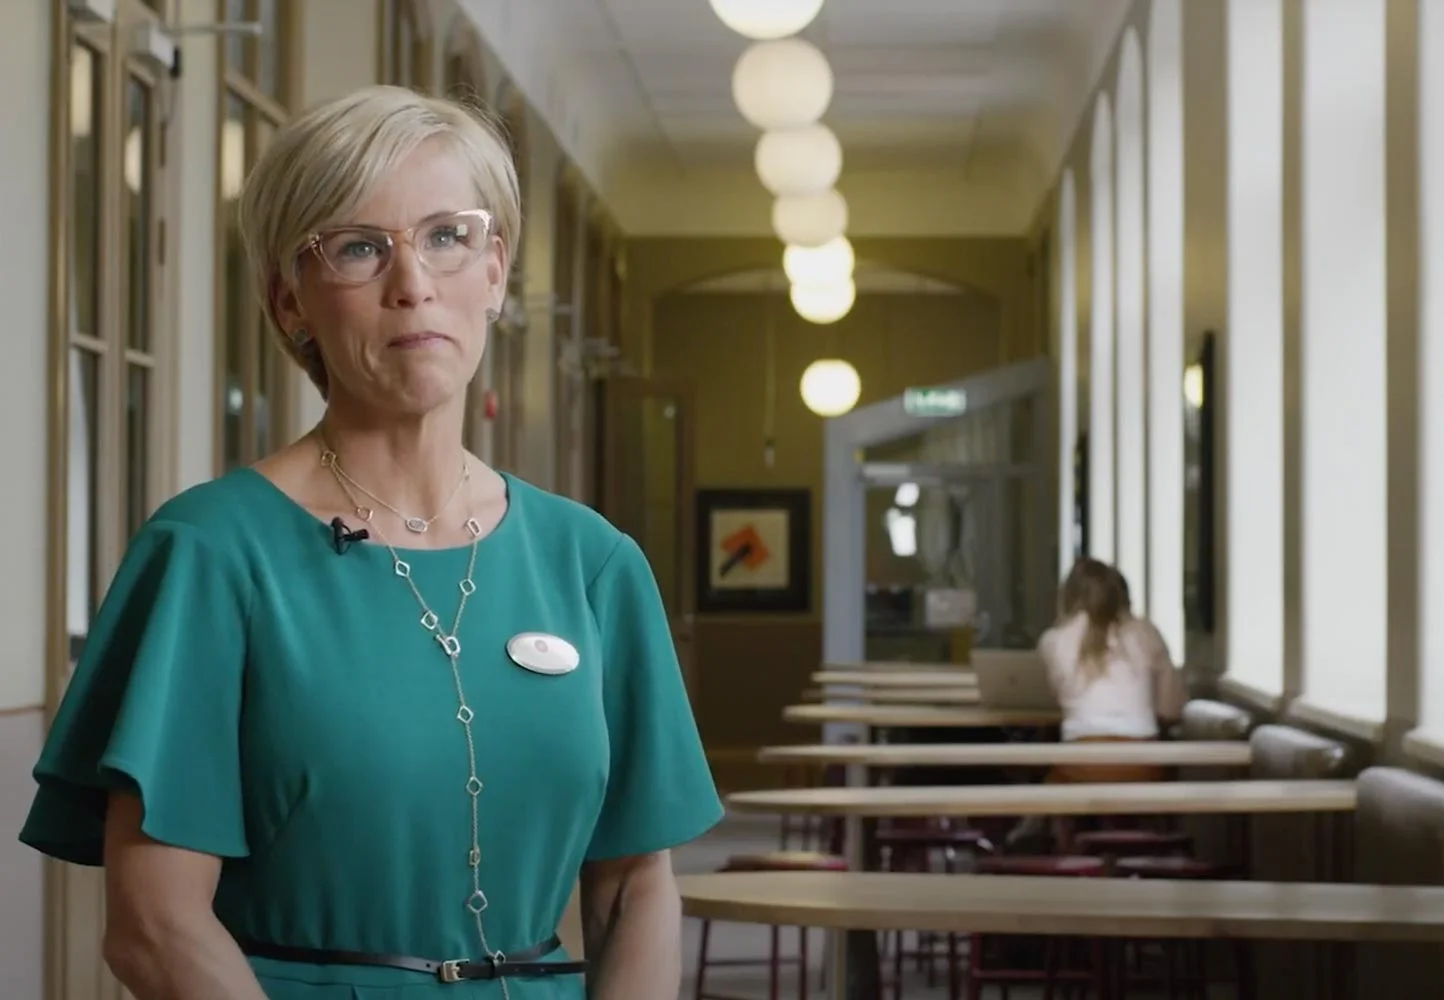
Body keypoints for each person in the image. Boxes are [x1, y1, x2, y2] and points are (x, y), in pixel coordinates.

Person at [20, 85, 722, 999]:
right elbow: (153, 926)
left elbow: (633, 890)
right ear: (289, 301)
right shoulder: (209, 554)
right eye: (358, 248)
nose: (413, 283)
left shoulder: (592, 564)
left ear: (496, 271)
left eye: (447, 236)